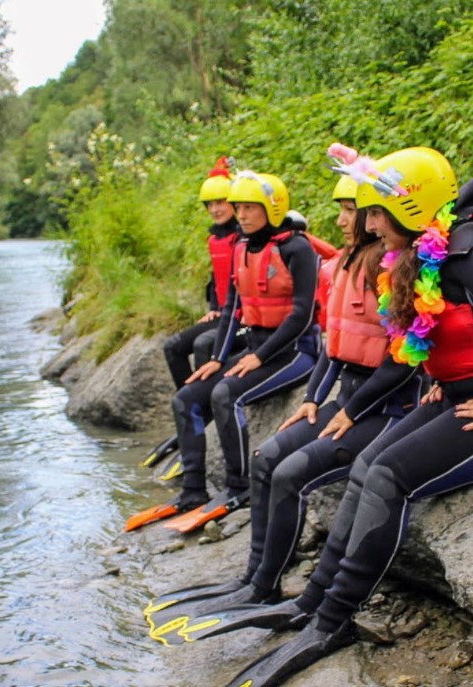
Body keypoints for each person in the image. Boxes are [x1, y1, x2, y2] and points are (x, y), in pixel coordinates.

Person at [222, 145, 473, 687]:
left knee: (387, 475)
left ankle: (333, 621)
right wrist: (442, 377)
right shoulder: (420, 257)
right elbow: (426, 340)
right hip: (452, 395)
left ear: (411, 209)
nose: (369, 224)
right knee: (364, 467)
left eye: (378, 213)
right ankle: (314, 599)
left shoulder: (465, 257)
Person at [146, 175, 425, 641]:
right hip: (346, 398)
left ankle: (284, 591)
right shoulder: (345, 263)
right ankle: (259, 582)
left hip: (386, 408)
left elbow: (407, 360)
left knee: (291, 473)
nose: (341, 220)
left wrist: (351, 410)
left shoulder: (395, 268)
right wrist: (313, 398)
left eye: (351, 211)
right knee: (266, 459)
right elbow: (335, 345)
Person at [170, 170, 321, 519]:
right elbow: (231, 310)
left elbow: (301, 315)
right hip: (256, 346)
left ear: (272, 207)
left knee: (225, 395)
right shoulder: (240, 247)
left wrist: (260, 357)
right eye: (238, 208)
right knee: (186, 399)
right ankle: (193, 489)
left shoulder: (297, 248)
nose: (242, 215)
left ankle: (239, 486)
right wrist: (217, 358)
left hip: (296, 352)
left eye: (250, 208)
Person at [162, 156, 243, 389]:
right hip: (223, 313)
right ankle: (189, 399)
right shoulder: (215, 239)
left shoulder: (245, 237)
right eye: (210, 205)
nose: (215, 210)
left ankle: (202, 399)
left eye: (220, 203)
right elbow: (216, 279)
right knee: (172, 347)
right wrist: (214, 309)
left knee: (203, 344)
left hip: (243, 317)